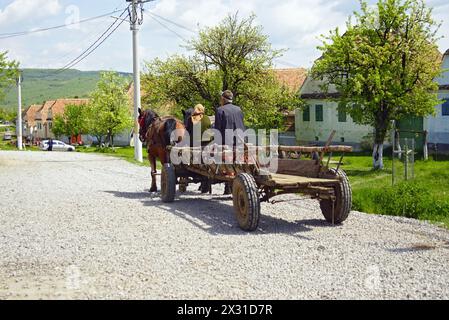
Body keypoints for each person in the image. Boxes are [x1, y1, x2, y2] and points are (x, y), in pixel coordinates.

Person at [214, 90, 246, 194]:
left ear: (223, 99)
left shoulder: (220, 110)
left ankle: (229, 186)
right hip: (240, 142)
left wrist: (216, 145)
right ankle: (232, 187)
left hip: (227, 144)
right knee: (238, 165)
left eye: (220, 99)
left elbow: (218, 130)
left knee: (226, 165)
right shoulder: (239, 109)